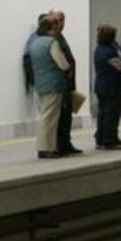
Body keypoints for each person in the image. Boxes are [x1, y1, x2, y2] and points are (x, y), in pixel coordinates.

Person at [28, 15, 70, 158]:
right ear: (53, 27)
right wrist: (67, 67)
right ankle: (47, 148)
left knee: (44, 117)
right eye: (57, 25)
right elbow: (62, 64)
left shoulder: (35, 43)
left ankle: (43, 147)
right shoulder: (52, 42)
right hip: (53, 84)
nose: (59, 27)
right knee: (50, 118)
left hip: (40, 84)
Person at [48, 9, 81, 155]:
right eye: (58, 20)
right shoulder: (52, 39)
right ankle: (60, 144)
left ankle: (66, 142)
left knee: (67, 116)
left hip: (68, 83)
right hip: (60, 83)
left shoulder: (60, 37)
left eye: (63, 20)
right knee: (60, 117)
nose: (61, 24)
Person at [94, 25, 121, 150]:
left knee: (102, 113)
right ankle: (109, 139)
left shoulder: (98, 49)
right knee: (112, 113)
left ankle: (101, 138)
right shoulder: (110, 52)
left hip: (101, 85)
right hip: (112, 86)